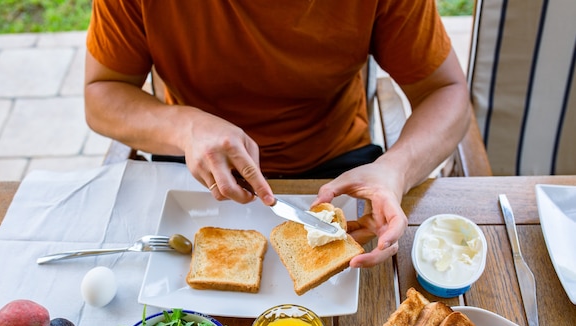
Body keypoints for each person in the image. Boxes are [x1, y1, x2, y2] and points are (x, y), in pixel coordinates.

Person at [84, 0, 471, 269]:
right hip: (191, 166)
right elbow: (101, 93)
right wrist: (186, 127)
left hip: (337, 173)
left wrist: (396, 169)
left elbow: (446, 92)